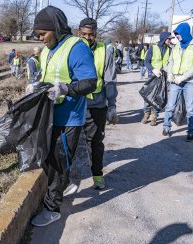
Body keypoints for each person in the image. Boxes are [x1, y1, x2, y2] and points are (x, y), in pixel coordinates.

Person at [29, 6, 97, 227]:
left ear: (55, 28)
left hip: (69, 117)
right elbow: (49, 76)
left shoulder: (76, 47)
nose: (40, 39)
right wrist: (37, 86)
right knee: (50, 158)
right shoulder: (48, 49)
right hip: (50, 115)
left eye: (42, 34)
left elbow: (90, 82)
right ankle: (63, 186)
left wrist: (66, 89)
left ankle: (52, 209)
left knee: (58, 162)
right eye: (38, 35)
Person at [77, 18, 118, 191]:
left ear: (96, 34)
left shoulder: (104, 51)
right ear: (79, 32)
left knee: (95, 142)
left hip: (97, 105)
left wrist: (112, 105)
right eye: (84, 34)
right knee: (69, 144)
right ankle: (66, 180)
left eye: (91, 34)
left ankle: (97, 175)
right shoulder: (72, 47)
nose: (88, 38)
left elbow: (109, 80)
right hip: (75, 104)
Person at [162, 22, 193, 142]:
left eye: (178, 34)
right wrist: (170, 73)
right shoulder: (176, 46)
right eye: (175, 34)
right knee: (170, 105)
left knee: (191, 108)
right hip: (175, 80)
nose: (176, 37)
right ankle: (166, 127)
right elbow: (171, 62)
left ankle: (191, 132)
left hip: (190, 82)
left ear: (185, 32)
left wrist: (183, 77)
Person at [142, 32, 174, 126]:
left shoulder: (170, 50)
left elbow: (172, 63)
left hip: (164, 76)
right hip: (153, 76)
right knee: (148, 96)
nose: (170, 40)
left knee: (159, 97)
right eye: (169, 39)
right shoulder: (153, 48)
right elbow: (146, 62)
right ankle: (146, 114)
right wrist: (153, 69)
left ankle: (154, 116)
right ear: (164, 39)